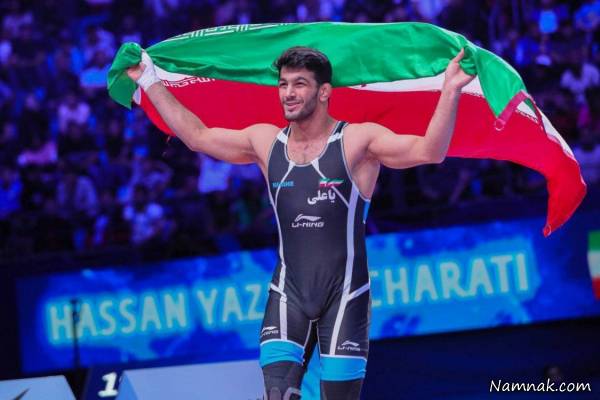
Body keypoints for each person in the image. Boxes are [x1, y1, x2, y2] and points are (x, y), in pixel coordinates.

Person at [126, 45, 474, 399]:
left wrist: (450, 89)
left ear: (324, 92)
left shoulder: (357, 140)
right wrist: (149, 80)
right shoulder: (265, 142)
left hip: (346, 296)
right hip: (287, 293)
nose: (288, 93)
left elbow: (430, 151)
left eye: (299, 84)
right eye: (283, 84)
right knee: (277, 394)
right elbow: (197, 136)